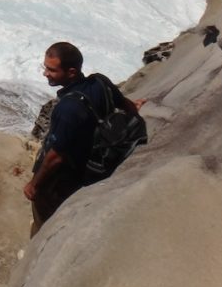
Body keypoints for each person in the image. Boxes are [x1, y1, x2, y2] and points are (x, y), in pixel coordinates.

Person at [23, 41, 140, 235]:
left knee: (45, 220)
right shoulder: (100, 82)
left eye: (51, 70)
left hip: (64, 179)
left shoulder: (68, 109)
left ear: (71, 72)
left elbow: (55, 157)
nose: (45, 73)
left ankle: (37, 255)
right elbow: (125, 104)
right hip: (94, 162)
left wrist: (34, 184)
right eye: (45, 67)